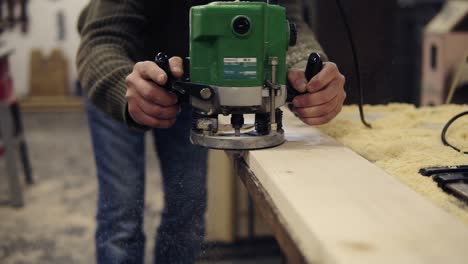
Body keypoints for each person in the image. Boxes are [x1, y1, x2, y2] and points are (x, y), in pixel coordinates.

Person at [76, 0, 346, 263]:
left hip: (192, 78)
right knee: (122, 212)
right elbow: (102, 38)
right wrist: (120, 87)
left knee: (188, 207)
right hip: (122, 73)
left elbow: (286, 24)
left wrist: (308, 72)